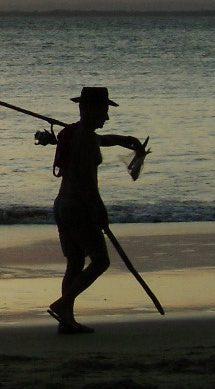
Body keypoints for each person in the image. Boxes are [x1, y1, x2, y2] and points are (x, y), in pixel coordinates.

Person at [48, 86, 146, 335]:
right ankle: (63, 304)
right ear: (89, 109)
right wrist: (100, 212)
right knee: (100, 261)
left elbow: (100, 139)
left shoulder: (73, 133)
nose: (107, 117)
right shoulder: (86, 139)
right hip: (79, 207)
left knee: (75, 261)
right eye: (104, 111)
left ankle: (66, 321)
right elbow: (88, 183)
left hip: (62, 205)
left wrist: (122, 139)